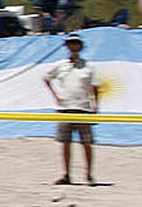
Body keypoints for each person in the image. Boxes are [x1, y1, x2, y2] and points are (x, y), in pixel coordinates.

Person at [42, 34, 99, 185]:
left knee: (86, 143)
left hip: (83, 108)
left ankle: (89, 175)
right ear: (67, 46)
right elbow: (46, 78)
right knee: (65, 143)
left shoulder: (89, 66)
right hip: (65, 108)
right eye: (71, 44)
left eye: (76, 43)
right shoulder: (61, 65)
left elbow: (95, 87)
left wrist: (96, 106)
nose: (73, 46)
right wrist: (56, 95)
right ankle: (66, 174)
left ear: (80, 46)